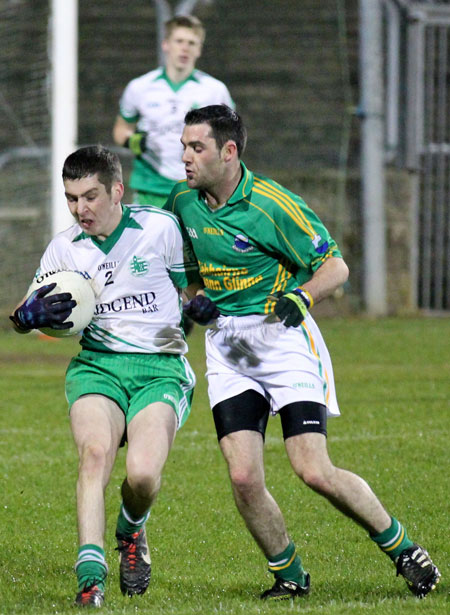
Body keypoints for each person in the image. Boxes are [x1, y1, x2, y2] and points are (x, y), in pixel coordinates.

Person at [164, 104, 441, 601]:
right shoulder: (183, 201)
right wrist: (194, 301)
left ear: (228, 152)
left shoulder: (273, 204)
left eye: (196, 147)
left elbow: (335, 267)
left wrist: (303, 295)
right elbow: (186, 274)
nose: (185, 156)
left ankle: (403, 549)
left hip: (284, 339)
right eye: (183, 145)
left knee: (313, 469)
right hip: (228, 346)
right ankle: (289, 575)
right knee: (244, 475)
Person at [10, 145, 200, 608]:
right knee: (95, 457)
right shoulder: (64, 247)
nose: (81, 209)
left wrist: (197, 307)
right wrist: (25, 316)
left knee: (142, 475)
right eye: (72, 198)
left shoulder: (160, 228)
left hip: (160, 369)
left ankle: (131, 530)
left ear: (117, 190)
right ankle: (90, 578)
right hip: (97, 367)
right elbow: (24, 312)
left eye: (91, 196)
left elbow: (191, 287)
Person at [113, 14, 234, 208]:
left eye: (192, 43)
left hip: (198, 189)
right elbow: (121, 130)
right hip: (151, 187)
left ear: (199, 49)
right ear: (166, 44)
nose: (185, 48)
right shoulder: (139, 87)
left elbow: (231, 137)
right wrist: (135, 141)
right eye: (179, 41)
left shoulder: (215, 90)